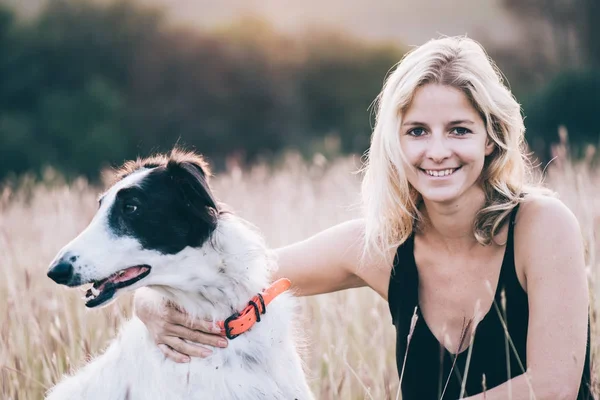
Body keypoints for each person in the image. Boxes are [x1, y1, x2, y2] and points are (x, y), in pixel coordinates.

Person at [134, 36, 593, 399]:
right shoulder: (379, 247)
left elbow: (553, 387)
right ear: (394, 143)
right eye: (416, 131)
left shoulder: (541, 225)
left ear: (491, 139)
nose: (437, 151)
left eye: (459, 130)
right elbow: (234, 275)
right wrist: (148, 304)